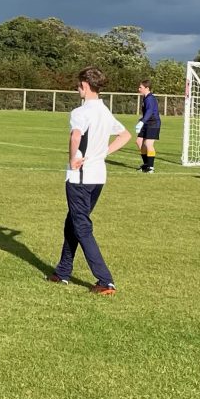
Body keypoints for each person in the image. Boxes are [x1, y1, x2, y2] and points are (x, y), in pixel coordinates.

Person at [48, 67, 131, 296]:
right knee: (72, 222)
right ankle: (63, 271)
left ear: (85, 84)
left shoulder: (80, 112)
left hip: (80, 178)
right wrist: (103, 153)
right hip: (98, 178)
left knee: (82, 226)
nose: (77, 89)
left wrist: (73, 159)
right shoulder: (104, 111)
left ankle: (105, 280)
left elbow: (75, 136)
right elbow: (125, 135)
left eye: (78, 85)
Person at [135, 79, 161, 173]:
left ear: (147, 88)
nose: (139, 89)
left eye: (140, 87)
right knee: (139, 142)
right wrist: (142, 120)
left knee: (148, 144)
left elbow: (150, 111)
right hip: (146, 122)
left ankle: (151, 167)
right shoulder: (145, 98)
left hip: (153, 123)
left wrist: (143, 121)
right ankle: (146, 164)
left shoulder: (150, 98)